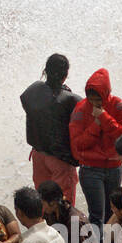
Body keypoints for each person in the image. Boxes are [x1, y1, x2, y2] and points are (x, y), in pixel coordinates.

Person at [68, 68, 122, 223]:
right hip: (90, 168)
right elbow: (78, 144)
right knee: (96, 214)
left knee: (113, 213)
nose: (95, 103)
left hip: (114, 167)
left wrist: (103, 117)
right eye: (91, 99)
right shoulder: (80, 109)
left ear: (106, 94)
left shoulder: (118, 106)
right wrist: (96, 124)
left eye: (98, 99)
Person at [21, 54, 81, 205]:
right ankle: (62, 229)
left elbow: (27, 104)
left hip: (38, 155)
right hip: (61, 160)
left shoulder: (32, 91)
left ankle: (44, 228)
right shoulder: (71, 99)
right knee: (62, 205)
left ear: (45, 70)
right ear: (66, 74)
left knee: (42, 202)